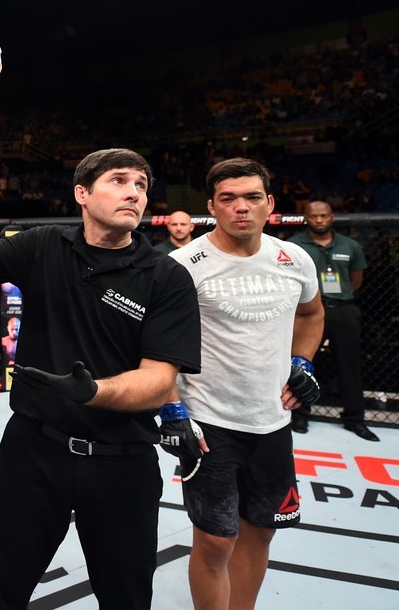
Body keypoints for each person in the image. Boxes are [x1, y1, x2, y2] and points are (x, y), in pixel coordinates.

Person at [0, 148, 202, 608]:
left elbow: (160, 380)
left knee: (125, 596)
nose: (134, 193)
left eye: (142, 185)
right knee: (5, 587)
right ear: (81, 194)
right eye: (119, 181)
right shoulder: (44, 244)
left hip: (122, 460)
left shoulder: (167, 277)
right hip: (34, 450)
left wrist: (91, 392)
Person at [168, 158, 323, 610]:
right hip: (209, 422)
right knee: (216, 541)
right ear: (212, 206)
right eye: (229, 199)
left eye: (253, 197)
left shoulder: (294, 258)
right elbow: (154, 346)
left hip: (272, 420)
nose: (242, 208)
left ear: (269, 204)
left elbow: (312, 315)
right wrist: (170, 407)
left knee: (261, 530)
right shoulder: (184, 265)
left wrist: (303, 362)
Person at [287, 200, 377, 440]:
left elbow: (356, 280)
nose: (319, 220)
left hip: (342, 309)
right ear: (305, 217)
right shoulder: (294, 245)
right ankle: (300, 415)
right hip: (306, 311)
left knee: (350, 365)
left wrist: (338, 297)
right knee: (301, 362)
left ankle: (354, 419)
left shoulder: (349, 245)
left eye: (324, 216)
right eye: (314, 216)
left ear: (332, 217)